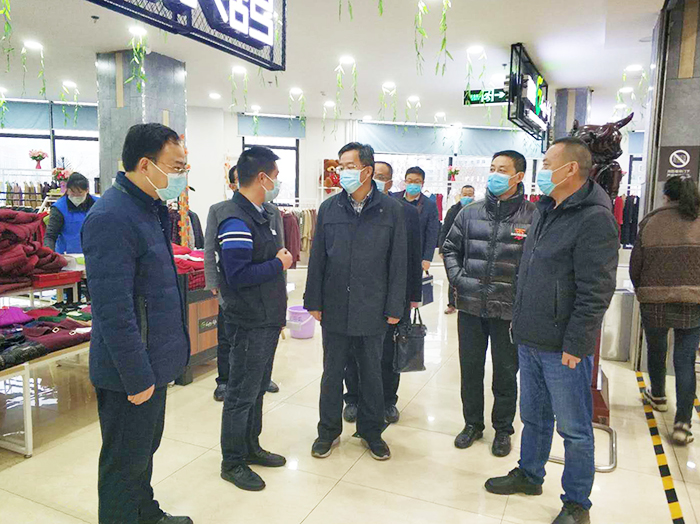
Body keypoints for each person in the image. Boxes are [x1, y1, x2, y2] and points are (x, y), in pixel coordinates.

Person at [485, 138, 619, 524]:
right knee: (534, 416)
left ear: (570, 169)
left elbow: (596, 290)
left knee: (574, 429)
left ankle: (577, 503)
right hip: (530, 336)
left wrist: (577, 343)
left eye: (547, 164)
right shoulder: (547, 209)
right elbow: (530, 271)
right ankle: (530, 474)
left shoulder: (594, 218)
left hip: (564, 346)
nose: (542, 171)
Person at [82, 123, 193, 524]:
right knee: (123, 463)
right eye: (176, 167)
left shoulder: (148, 208)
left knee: (142, 453)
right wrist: (136, 375)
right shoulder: (111, 217)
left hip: (152, 360)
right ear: (146, 165)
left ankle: (145, 513)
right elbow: (113, 310)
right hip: (129, 370)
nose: (182, 175)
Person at [305, 142, 407, 461]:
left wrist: (395, 306)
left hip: (373, 306)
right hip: (335, 305)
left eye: (349, 166)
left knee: (372, 374)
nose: (342, 172)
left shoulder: (391, 210)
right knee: (332, 373)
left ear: (367, 170)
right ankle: (327, 431)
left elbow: (398, 261)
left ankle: (372, 431)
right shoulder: (329, 208)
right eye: (340, 166)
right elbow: (318, 258)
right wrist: (313, 300)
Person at [209, 146, 292, 492]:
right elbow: (238, 274)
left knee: (256, 388)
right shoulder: (235, 219)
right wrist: (279, 264)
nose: (277, 182)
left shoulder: (259, 214)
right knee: (241, 393)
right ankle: (232, 462)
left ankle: (250, 446)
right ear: (262, 178)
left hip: (266, 318)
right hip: (249, 320)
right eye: (275, 176)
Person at [443, 152, 535, 458]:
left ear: (518, 177)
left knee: (506, 373)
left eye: (502, 170)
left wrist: (521, 291)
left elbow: (539, 262)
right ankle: (472, 424)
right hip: (471, 306)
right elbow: (450, 248)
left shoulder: (533, 216)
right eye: (492, 168)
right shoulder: (469, 213)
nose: (495, 174)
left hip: (508, 310)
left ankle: (503, 429)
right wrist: (459, 279)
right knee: (470, 369)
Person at [343, 160, 422, 425]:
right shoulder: (351, 210)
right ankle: (353, 399)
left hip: (393, 295)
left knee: (390, 351)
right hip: (358, 295)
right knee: (353, 351)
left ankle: (388, 400)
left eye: (380, 176)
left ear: (389, 182)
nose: (374, 179)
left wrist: (413, 296)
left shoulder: (406, 213)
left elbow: (412, 258)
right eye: (372, 174)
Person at [630, 175, 700, 446]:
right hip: (693, 300)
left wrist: (642, 289)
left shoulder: (651, 222)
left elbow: (636, 265)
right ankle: (682, 423)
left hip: (654, 299)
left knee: (657, 349)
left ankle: (658, 395)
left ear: (666, 196)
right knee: (684, 360)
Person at [206, 166, 281, 402]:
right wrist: (212, 281)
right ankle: (224, 380)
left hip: (265, 287)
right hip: (232, 286)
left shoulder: (272, 211)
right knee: (228, 336)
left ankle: (263, 377)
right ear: (233, 185)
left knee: (265, 338)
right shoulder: (220, 210)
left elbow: (281, 252)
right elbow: (210, 249)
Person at [395, 166, 440, 272]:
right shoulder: (394, 199)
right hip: (395, 251)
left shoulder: (430, 205)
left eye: (417, 181)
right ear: (405, 182)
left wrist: (427, 258)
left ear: (422, 183)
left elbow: (432, 233)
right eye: (410, 181)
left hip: (417, 253)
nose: (412, 184)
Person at [439, 185, 475, 315]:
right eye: (465, 194)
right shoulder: (453, 210)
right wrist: (442, 248)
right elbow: (445, 229)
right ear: (460, 194)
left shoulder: (477, 210)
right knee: (453, 276)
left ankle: (468, 304)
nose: (467, 197)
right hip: (454, 248)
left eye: (470, 194)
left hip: (471, 249)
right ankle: (452, 304)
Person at [44, 172, 98, 253]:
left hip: (94, 254)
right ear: (67, 190)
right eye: (72, 192)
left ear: (87, 190)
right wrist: (49, 254)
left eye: (80, 193)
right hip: (67, 255)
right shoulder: (59, 208)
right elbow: (50, 236)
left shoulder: (98, 204)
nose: (76, 196)